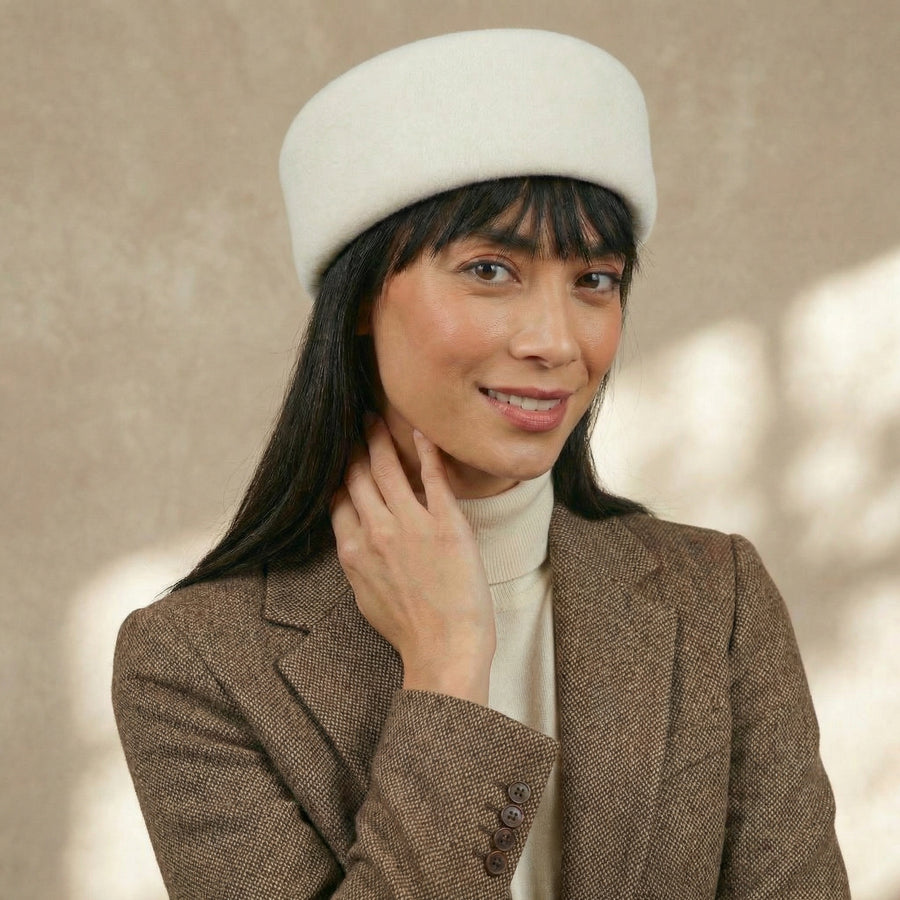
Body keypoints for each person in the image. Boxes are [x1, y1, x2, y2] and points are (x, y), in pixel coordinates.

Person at [112, 28, 850, 899]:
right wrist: (449, 668)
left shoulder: (715, 597)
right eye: (491, 269)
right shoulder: (194, 662)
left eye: (595, 280)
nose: (556, 342)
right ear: (361, 296)